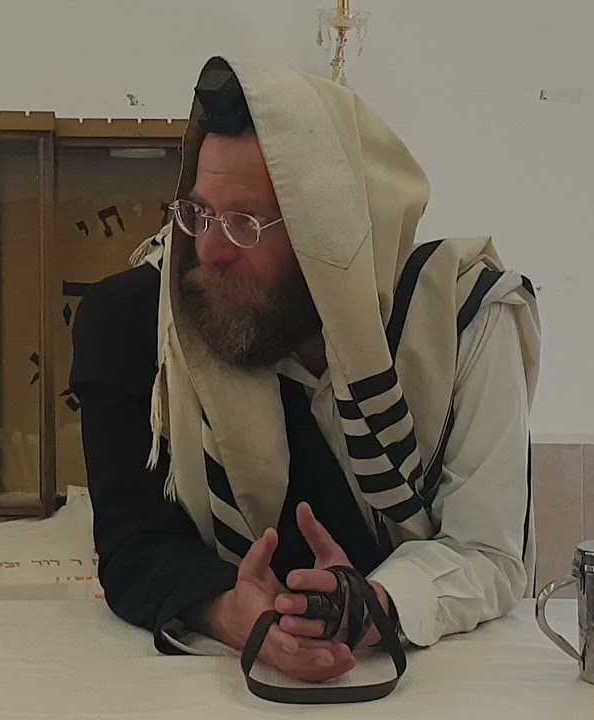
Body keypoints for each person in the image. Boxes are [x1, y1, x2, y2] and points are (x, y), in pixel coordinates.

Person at [70, 56, 541, 683]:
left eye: (244, 223)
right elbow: (133, 548)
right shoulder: (141, 321)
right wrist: (231, 611)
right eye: (199, 213)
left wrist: (366, 607)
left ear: (333, 233)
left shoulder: (464, 318)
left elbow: (488, 553)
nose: (208, 251)